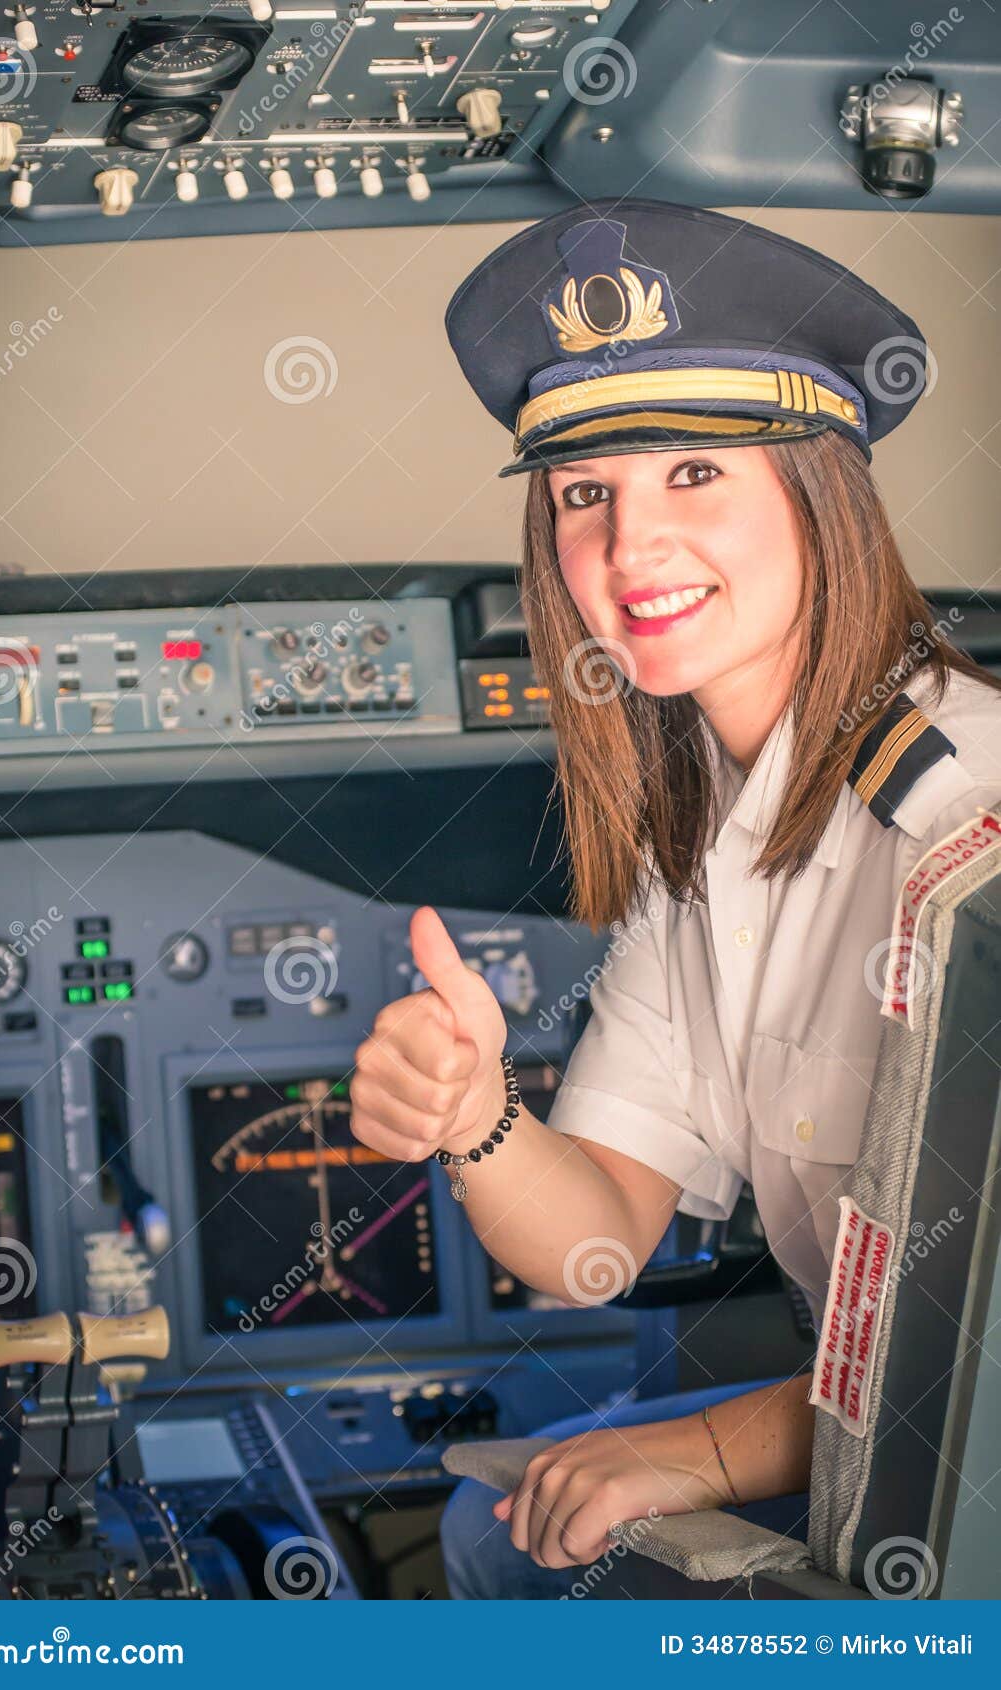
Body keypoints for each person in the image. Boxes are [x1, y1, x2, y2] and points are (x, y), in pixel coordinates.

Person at [348, 198, 1001, 1598]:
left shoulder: (974, 833)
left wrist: (700, 1447)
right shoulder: (702, 840)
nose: (628, 549)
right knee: (499, 1522)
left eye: (693, 471)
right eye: (585, 493)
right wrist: (476, 1119)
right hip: (887, 1486)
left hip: (964, 1512)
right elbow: (594, 1242)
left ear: (820, 491)